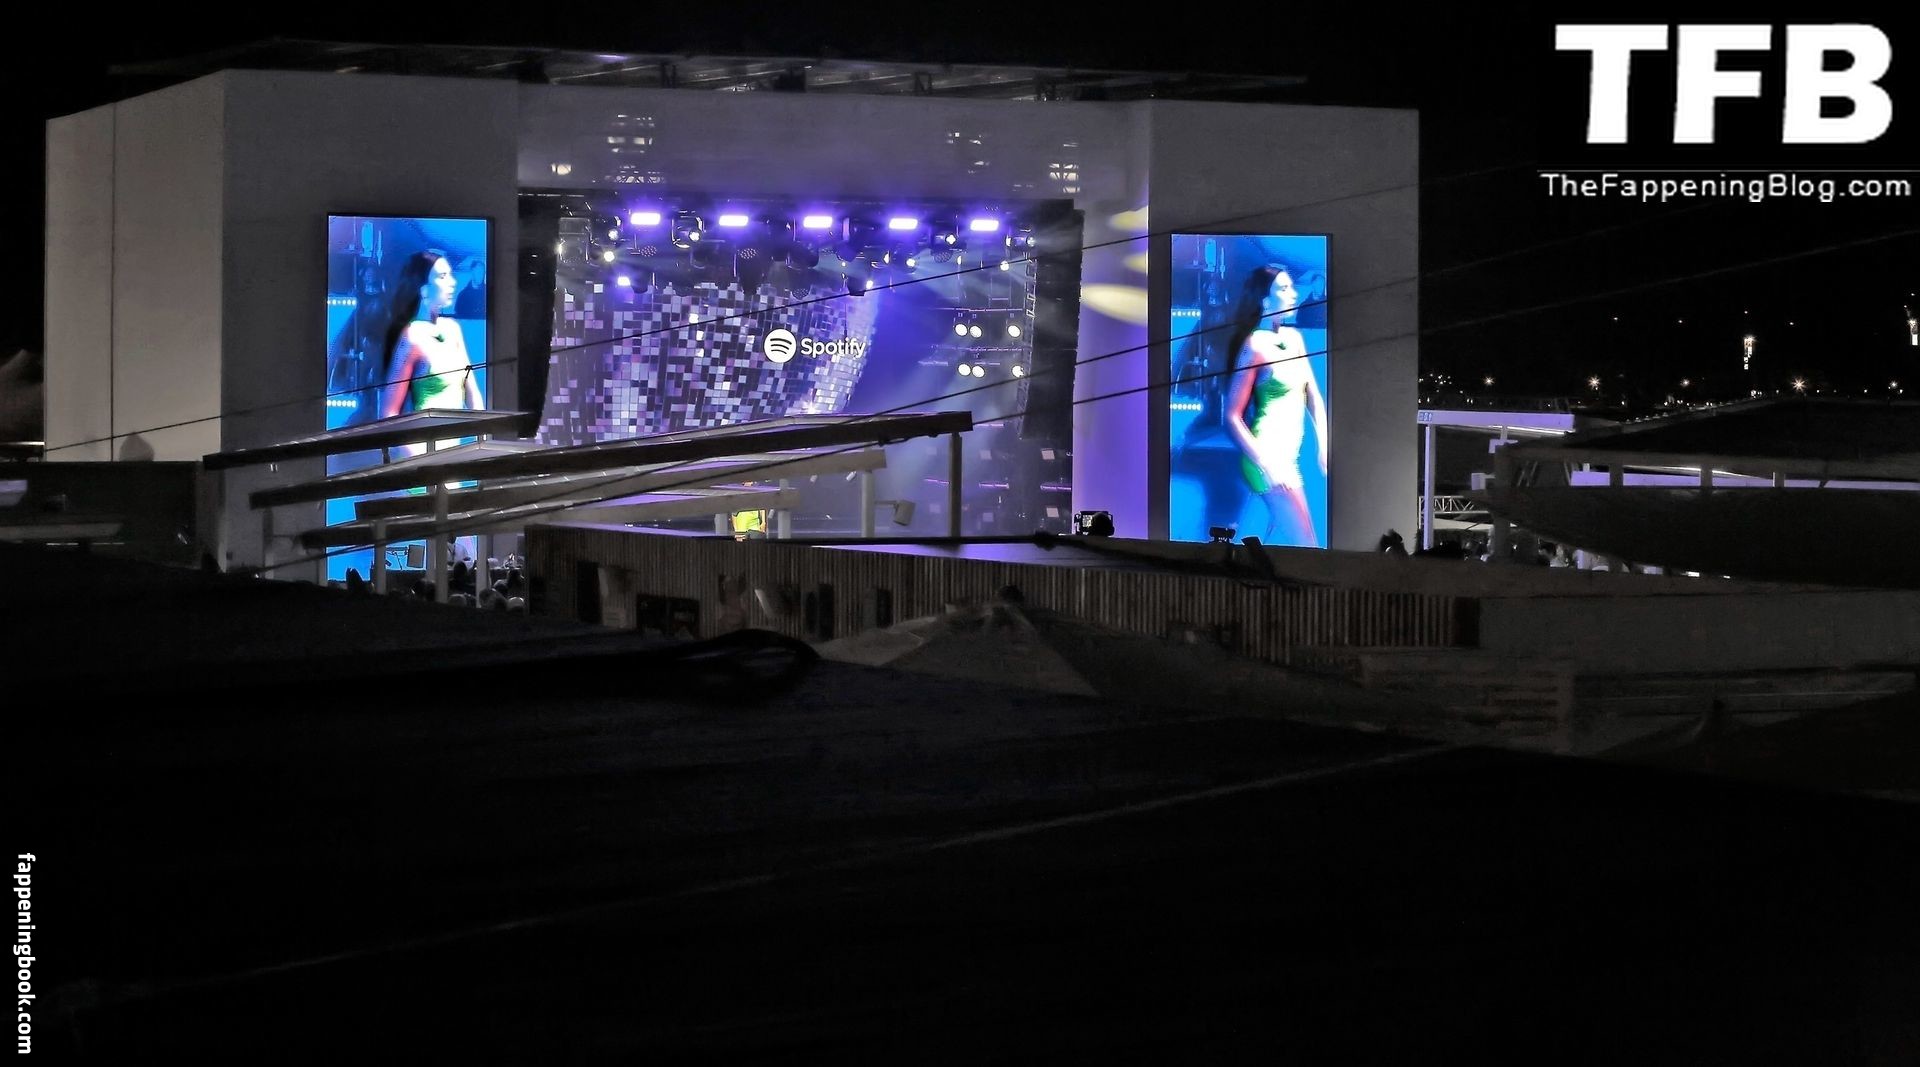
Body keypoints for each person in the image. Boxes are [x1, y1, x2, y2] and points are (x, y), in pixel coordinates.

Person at [1222, 263, 1329, 546]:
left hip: (1286, 460)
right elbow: (1231, 416)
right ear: (1265, 300)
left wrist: (1324, 446)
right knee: (1308, 547)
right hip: (1268, 458)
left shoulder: (1294, 339)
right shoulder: (1255, 346)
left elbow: (1314, 397)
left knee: (1256, 546)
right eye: (1284, 288)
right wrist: (1265, 462)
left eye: (1292, 287)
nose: (1293, 294)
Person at [377, 249, 484, 451]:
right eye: (443, 276)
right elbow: (389, 411)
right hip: (422, 453)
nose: (452, 282)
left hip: (454, 453)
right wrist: (413, 455)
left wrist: (482, 439)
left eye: (450, 275)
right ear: (424, 289)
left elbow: (472, 392)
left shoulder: (453, 329)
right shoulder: (412, 337)